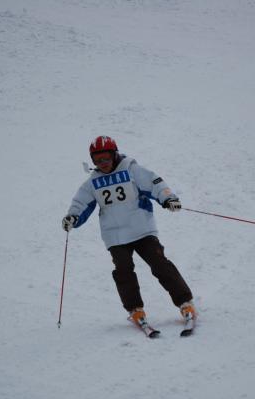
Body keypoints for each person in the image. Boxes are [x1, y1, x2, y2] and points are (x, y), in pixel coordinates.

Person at [62, 135, 196, 334]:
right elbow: (81, 203)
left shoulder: (131, 169)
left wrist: (168, 198)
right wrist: (72, 217)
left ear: (114, 154)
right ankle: (135, 309)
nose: (103, 163)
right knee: (123, 271)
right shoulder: (93, 182)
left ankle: (185, 302)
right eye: (97, 160)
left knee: (160, 264)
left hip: (142, 229)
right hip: (115, 235)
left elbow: (155, 184)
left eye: (106, 158)